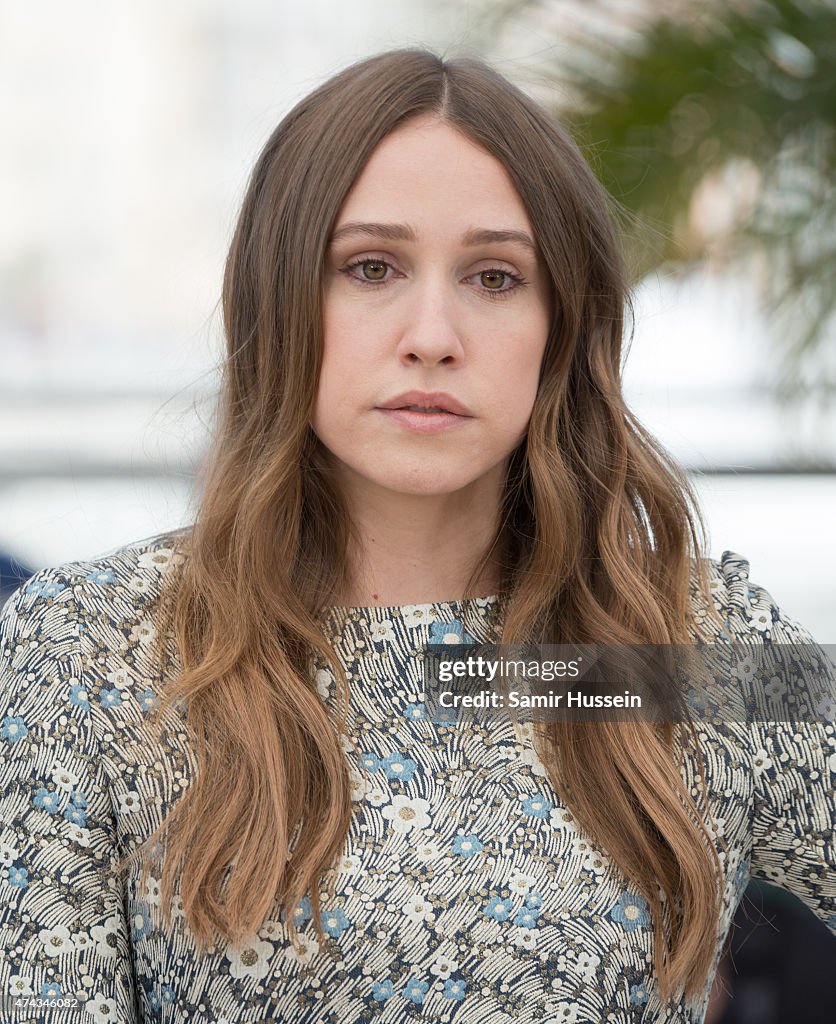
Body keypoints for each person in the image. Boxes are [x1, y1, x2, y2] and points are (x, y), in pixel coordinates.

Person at [0, 47, 833, 1024]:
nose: (431, 332)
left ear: (559, 324)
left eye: (492, 275)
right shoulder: (93, 649)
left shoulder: (673, 637)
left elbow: (470, 678)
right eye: (370, 267)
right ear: (278, 302)